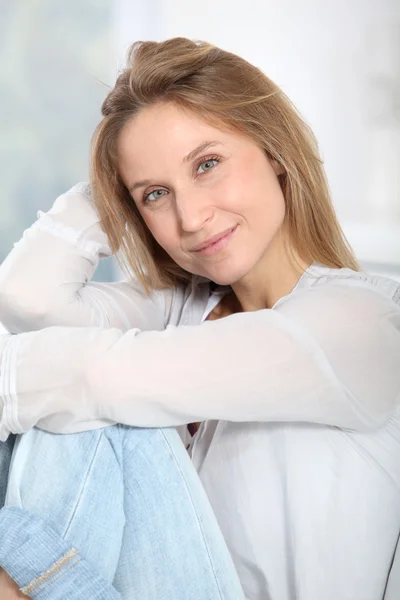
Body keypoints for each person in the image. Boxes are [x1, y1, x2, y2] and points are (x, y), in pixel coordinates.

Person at [0, 36, 399, 600]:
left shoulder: (362, 322)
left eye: (207, 164)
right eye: (157, 194)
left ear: (275, 152)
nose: (191, 217)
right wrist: (114, 189)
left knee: (89, 390)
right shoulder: (180, 306)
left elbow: (95, 375)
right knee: (69, 386)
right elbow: (28, 302)